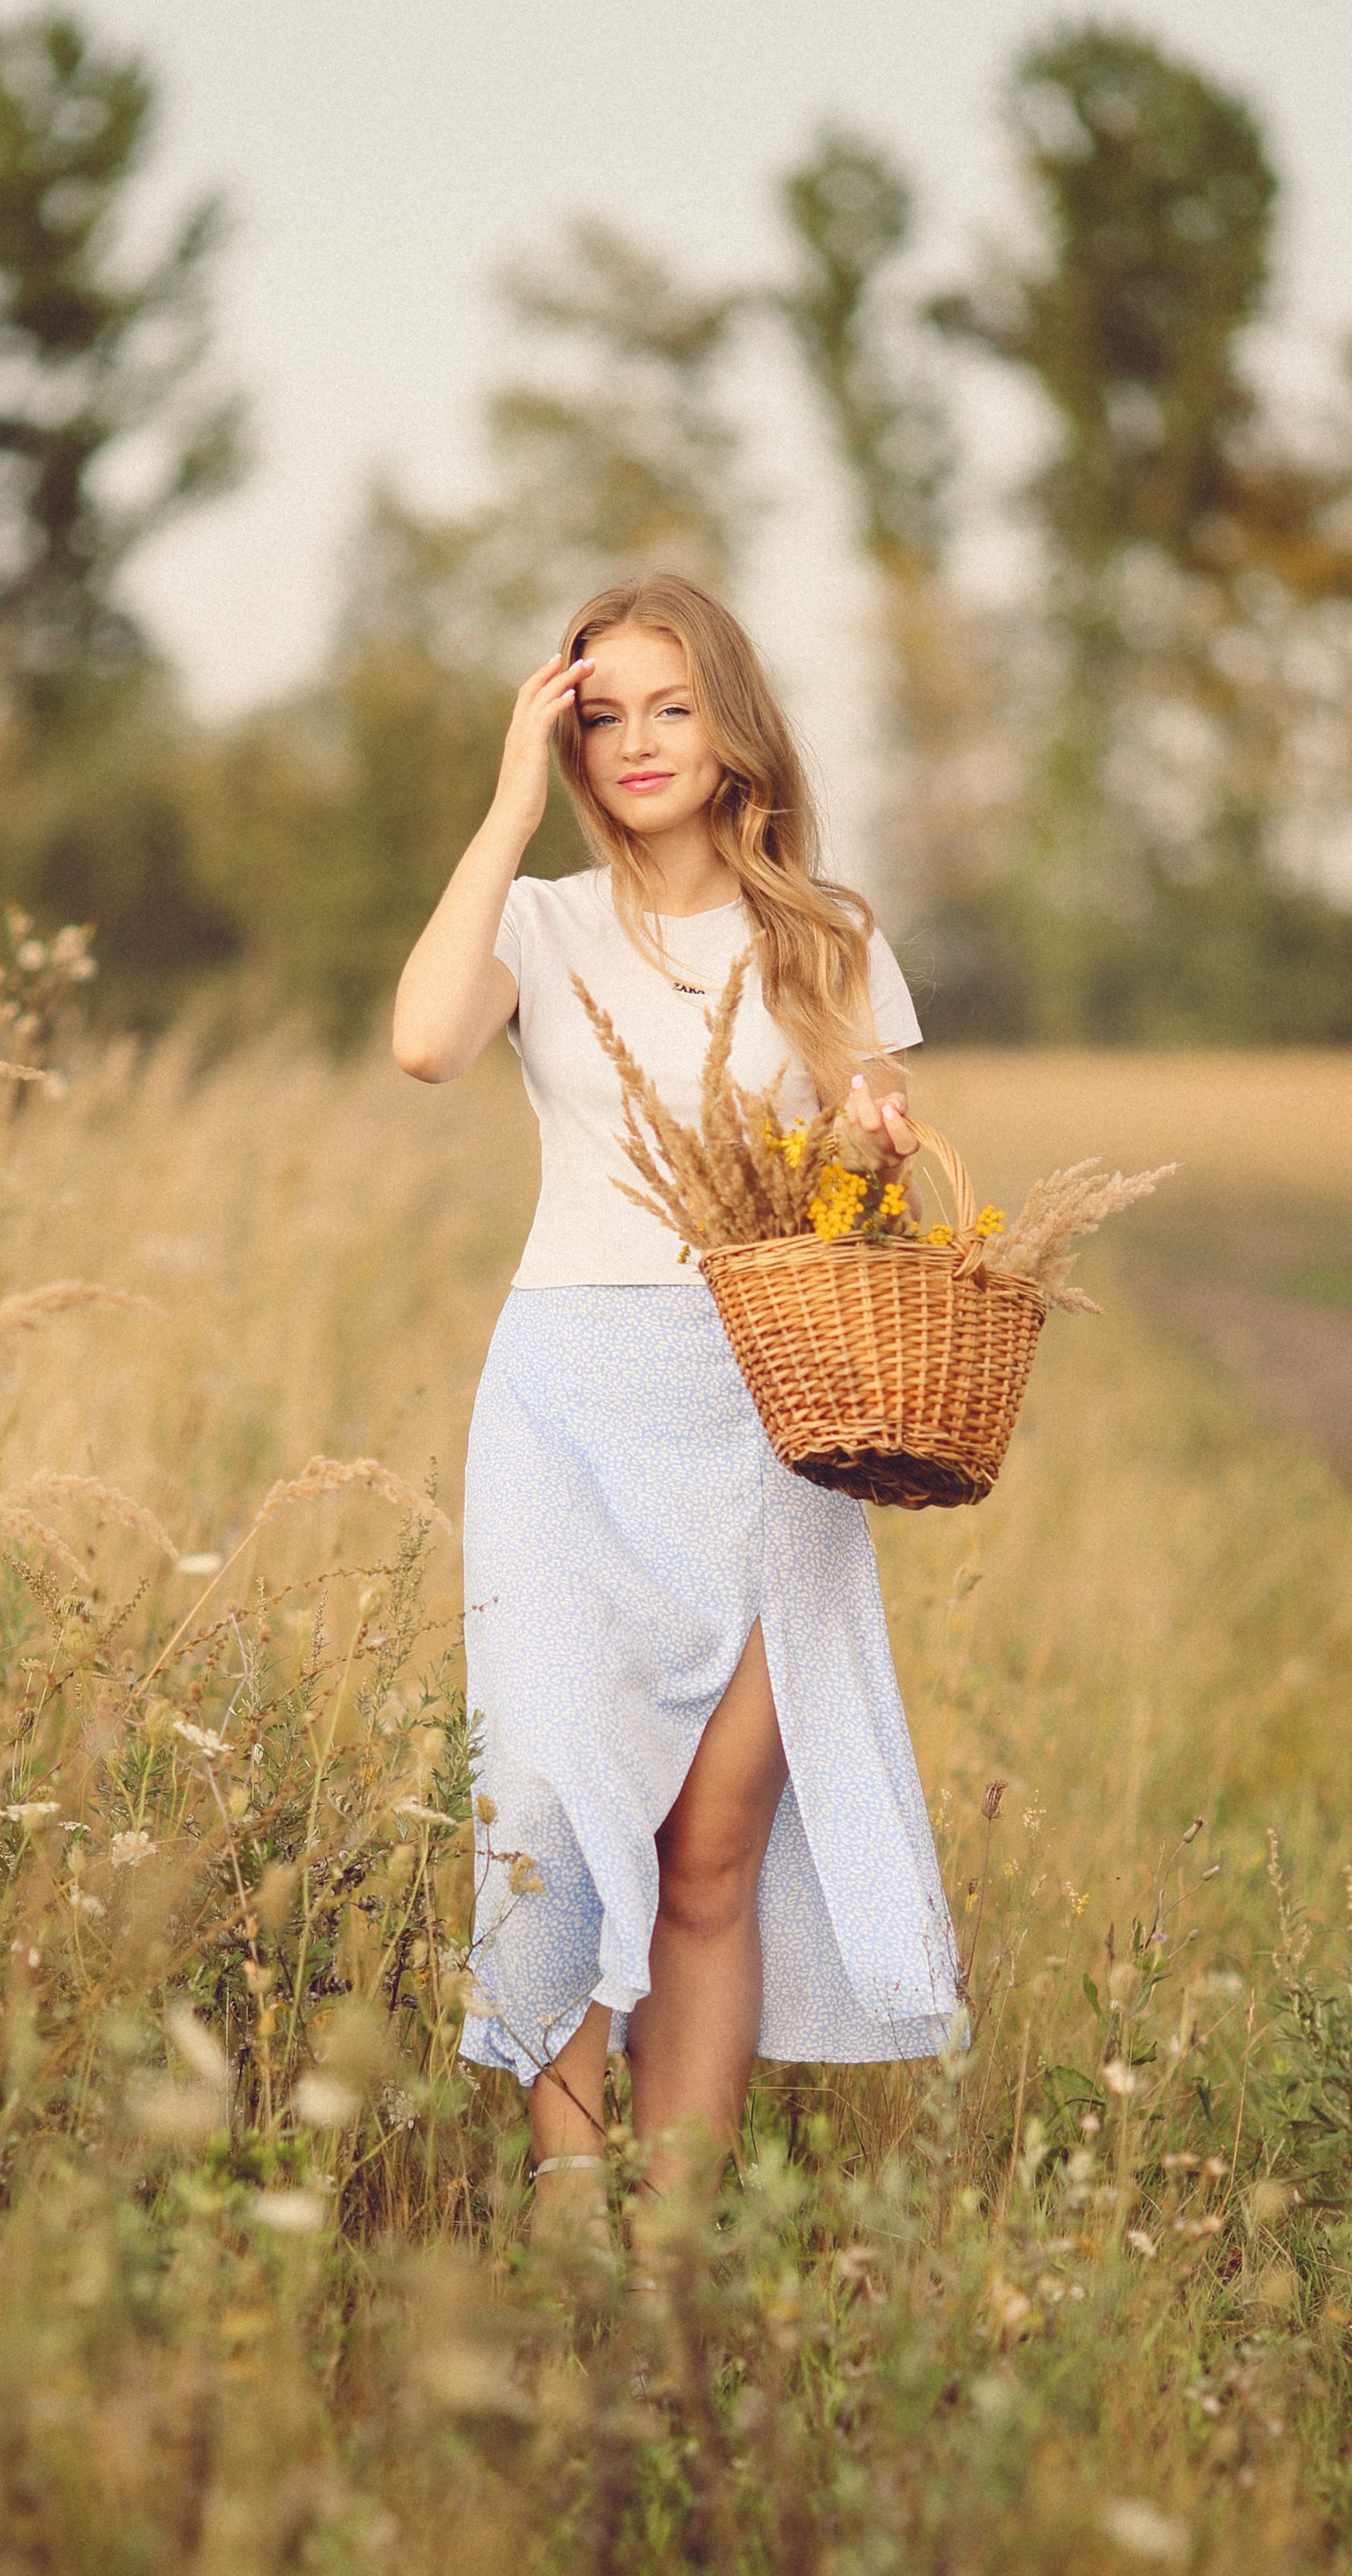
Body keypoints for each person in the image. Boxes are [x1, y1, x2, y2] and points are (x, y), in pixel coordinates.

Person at [392, 571, 959, 2236]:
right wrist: (507, 802)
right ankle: (572, 2219)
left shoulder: (824, 935)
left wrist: (871, 1155)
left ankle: (671, 2259)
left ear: (732, 732)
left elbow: (859, 1178)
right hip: (566, 1408)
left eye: (673, 707)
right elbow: (424, 1044)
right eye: (602, 714)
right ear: (566, 737)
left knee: (713, 1848)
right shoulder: (538, 922)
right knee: (553, 1819)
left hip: (771, 1409)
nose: (638, 743)